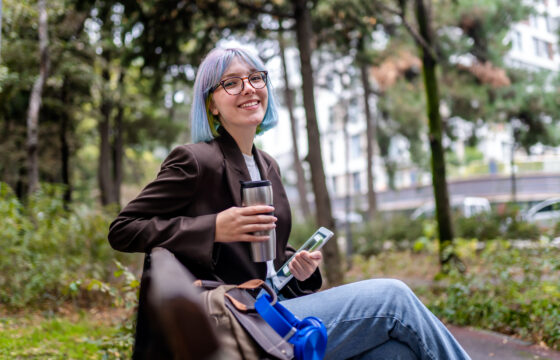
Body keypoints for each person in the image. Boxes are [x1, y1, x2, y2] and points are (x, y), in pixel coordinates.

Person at [108, 47, 471, 360]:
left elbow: (268, 260)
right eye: (231, 83)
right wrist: (214, 228)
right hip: (242, 323)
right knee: (392, 298)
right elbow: (124, 230)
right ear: (211, 105)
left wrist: (297, 268)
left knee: (398, 354)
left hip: (271, 307)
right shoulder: (195, 160)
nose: (248, 88)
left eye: (255, 78)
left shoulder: (267, 164)